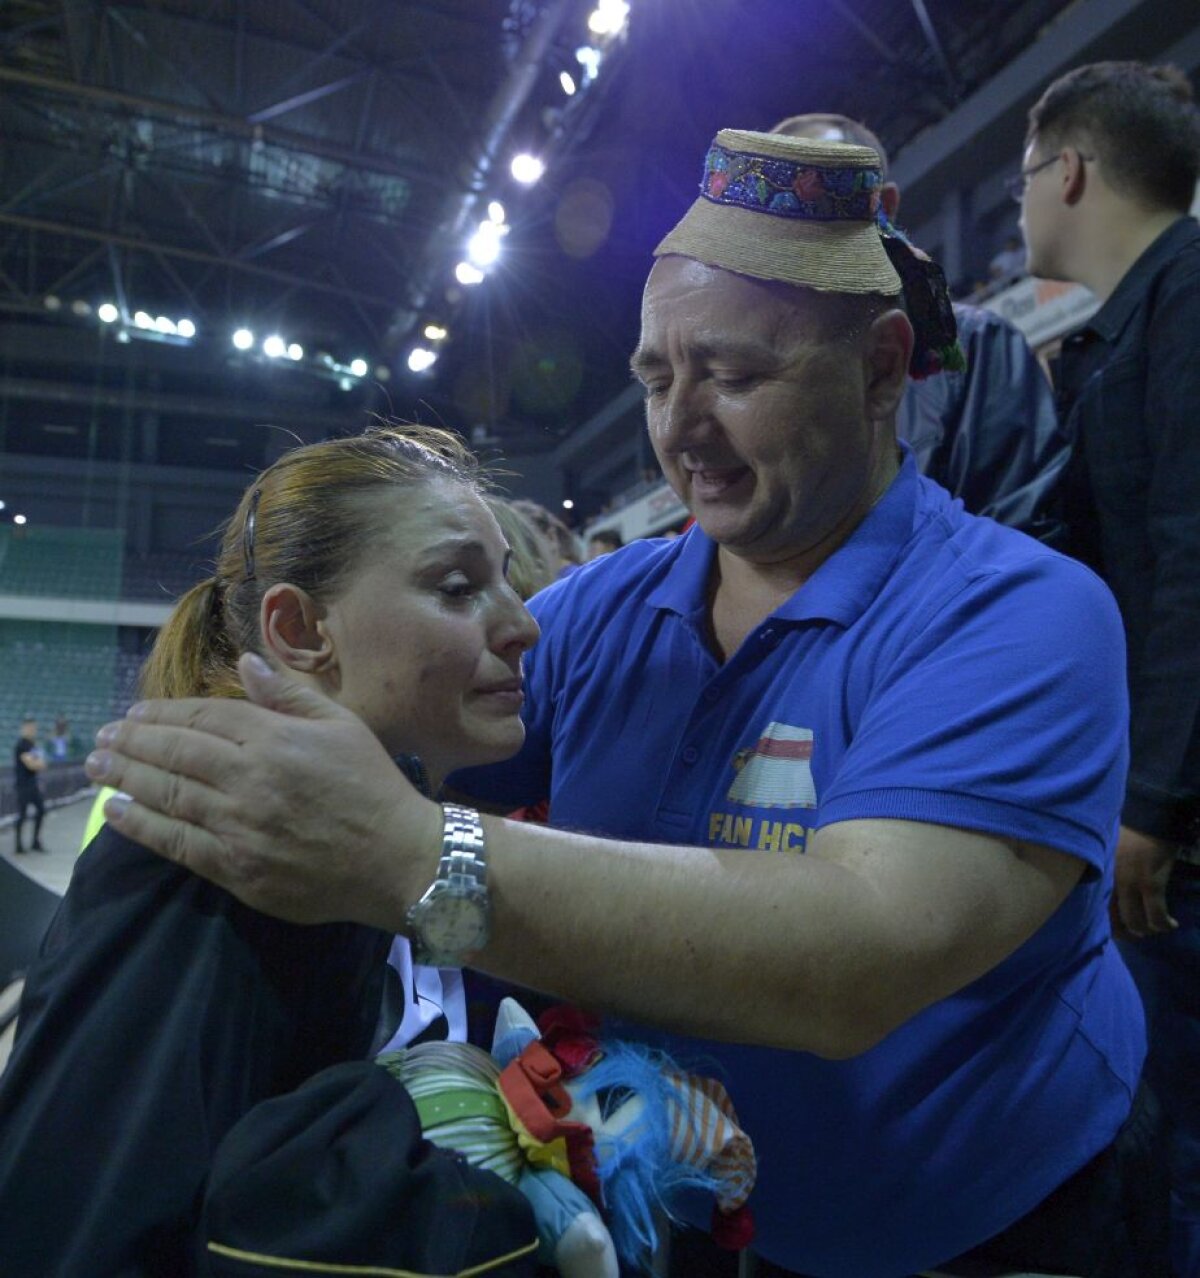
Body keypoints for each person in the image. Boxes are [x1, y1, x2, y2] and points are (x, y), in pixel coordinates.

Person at [88, 132, 1164, 1278]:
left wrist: (418, 856)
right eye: (657, 378)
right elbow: (403, 742)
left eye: (734, 377)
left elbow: (864, 952)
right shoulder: (600, 610)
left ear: (883, 368)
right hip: (691, 1217)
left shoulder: (1021, 616)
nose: (679, 431)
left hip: (996, 1225)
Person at [0, 425, 541, 1276]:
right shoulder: (207, 870)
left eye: (507, 579)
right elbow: (78, 1229)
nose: (523, 626)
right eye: (457, 586)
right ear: (299, 629)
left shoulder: (368, 838)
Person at [1017, 59, 1200, 1278]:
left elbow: (1195, 558)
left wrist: (1154, 801)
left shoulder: (1186, 302)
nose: (1025, 203)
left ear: (1070, 168)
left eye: (1024, 177)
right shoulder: (1124, 329)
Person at [772, 112, 1069, 542]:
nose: (800, 219)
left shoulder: (974, 348)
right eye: (776, 202)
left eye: (828, 190)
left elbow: (1025, 537)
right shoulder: (754, 382)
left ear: (884, 205)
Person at [12, 715, 47, 854]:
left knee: (41, 811)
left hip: (33, 784)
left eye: (34, 727)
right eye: (30, 727)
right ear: (24, 728)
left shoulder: (32, 745)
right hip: (23, 785)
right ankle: (18, 845)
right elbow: (32, 764)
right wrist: (37, 763)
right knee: (22, 815)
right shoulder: (21, 745)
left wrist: (37, 763)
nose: (32, 730)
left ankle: (35, 842)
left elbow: (41, 764)